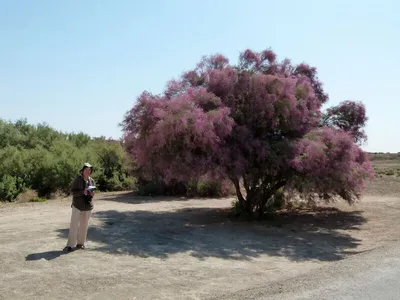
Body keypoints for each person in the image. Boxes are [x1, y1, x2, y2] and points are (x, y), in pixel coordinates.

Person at [63, 162, 95, 252]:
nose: (88, 171)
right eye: (86, 170)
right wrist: (82, 192)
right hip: (77, 205)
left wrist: (91, 194)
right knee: (74, 225)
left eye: (89, 170)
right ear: (82, 171)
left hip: (88, 207)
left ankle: (80, 243)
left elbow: (91, 194)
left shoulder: (91, 180)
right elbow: (73, 192)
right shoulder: (77, 180)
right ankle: (70, 245)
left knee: (84, 226)